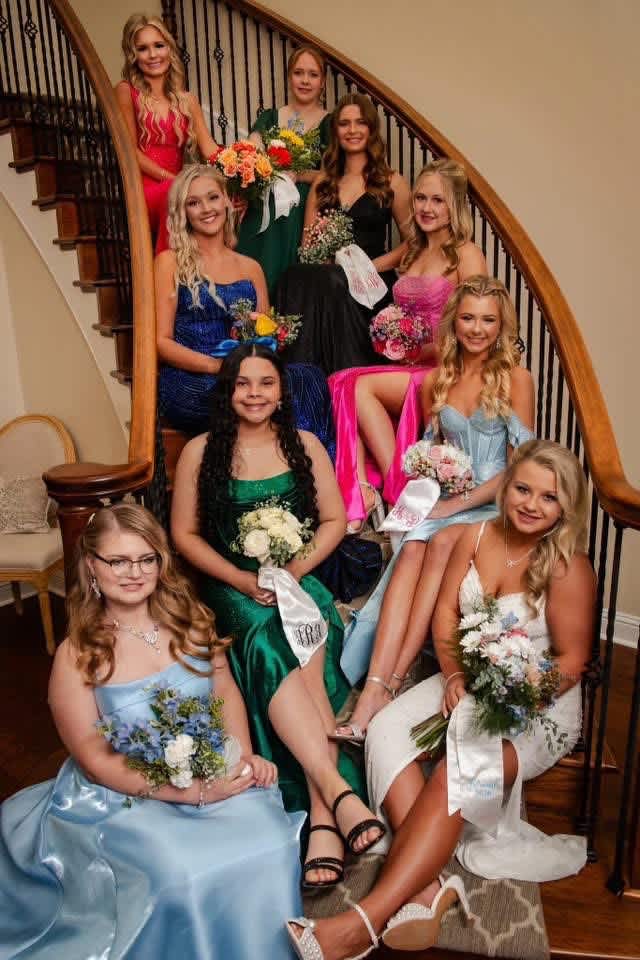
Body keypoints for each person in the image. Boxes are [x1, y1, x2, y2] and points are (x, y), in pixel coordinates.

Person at [286, 439, 594, 959]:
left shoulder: (568, 567)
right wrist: (452, 676)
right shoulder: (475, 534)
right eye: (522, 489)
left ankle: (361, 922)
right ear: (507, 486)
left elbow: (571, 663)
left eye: (549, 497)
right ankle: (427, 887)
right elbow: (447, 617)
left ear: (566, 507)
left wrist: (511, 695)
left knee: (459, 771)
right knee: (385, 731)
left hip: (536, 706)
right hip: (468, 679)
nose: (531, 504)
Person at [0, 503, 304, 959]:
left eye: (146, 559)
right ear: (91, 565)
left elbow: (223, 691)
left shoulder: (191, 620)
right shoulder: (77, 655)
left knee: (273, 840)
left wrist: (239, 757)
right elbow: (96, 760)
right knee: (181, 874)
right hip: (123, 798)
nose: (134, 572)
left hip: (210, 768)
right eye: (118, 561)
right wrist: (192, 793)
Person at [170, 344, 386, 889]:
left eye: (265, 383)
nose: (255, 394)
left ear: (281, 391)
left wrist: (295, 570)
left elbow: (333, 521)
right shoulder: (200, 451)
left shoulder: (305, 445)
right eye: (243, 384)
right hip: (234, 586)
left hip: (295, 575)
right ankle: (336, 794)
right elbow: (184, 536)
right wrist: (242, 579)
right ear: (228, 392)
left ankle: (323, 815)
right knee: (268, 636)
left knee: (304, 622)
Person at [336, 276, 535, 739]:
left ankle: (393, 680)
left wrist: (455, 505)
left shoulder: (516, 379)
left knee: (441, 541)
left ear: (502, 325)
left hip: (494, 504)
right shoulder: (437, 380)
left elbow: (520, 469)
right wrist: (430, 490)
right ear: (454, 322)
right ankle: (375, 690)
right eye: (468, 318)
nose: (477, 329)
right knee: (410, 548)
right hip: (450, 499)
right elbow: (432, 455)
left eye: (488, 320)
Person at [329, 159, 488, 533]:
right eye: (420, 198)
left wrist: (425, 348)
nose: (426, 208)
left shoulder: (465, 253)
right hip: (411, 363)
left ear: (454, 207)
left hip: (445, 366)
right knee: (339, 380)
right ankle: (364, 490)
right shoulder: (412, 250)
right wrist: (390, 332)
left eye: (438, 200)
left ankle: (397, 490)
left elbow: (479, 321)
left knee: (359, 387)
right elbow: (364, 270)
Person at [156, 164, 335, 456]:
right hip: (192, 378)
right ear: (183, 212)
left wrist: (268, 337)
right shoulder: (169, 262)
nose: (206, 209)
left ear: (227, 201)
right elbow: (162, 342)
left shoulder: (251, 268)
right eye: (193, 202)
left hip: (246, 372)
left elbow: (267, 339)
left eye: (213, 197)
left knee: (308, 378)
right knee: (242, 395)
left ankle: (306, 472)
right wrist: (216, 366)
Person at [275, 93, 412, 374]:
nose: (352, 130)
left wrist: (373, 266)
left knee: (333, 281)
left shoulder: (391, 181)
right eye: (344, 123)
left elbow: (415, 241)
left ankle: (345, 380)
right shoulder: (324, 183)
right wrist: (323, 254)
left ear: (372, 129)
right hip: (329, 278)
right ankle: (300, 380)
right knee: (295, 274)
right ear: (335, 131)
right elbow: (307, 246)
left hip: (370, 284)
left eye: (360, 122)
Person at [116, 13, 218, 253]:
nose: (153, 55)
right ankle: (168, 271)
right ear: (133, 55)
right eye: (143, 49)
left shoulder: (187, 100)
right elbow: (130, 152)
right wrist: (173, 179)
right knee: (176, 193)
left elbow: (210, 150)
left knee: (218, 197)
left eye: (159, 45)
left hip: (177, 185)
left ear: (169, 48)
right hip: (143, 189)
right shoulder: (126, 91)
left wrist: (241, 167)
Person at [236, 45, 331, 295]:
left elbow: (332, 174)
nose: (305, 80)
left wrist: (299, 175)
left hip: (300, 211)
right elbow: (251, 151)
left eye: (313, 74)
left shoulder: (329, 123)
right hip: (263, 204)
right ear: (289, 77)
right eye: (299, 73)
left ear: (323, 82)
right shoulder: (270, 117)